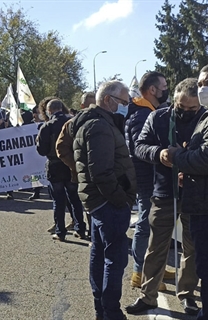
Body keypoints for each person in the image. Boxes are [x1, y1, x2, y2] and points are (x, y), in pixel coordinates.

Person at [126, 78, 203, 316]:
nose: (187, 113)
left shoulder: (205, 118)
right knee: (157, 245)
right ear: (174, 101)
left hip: (196, 193)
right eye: (182, 108)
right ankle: (148, 296)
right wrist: (158, 153)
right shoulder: (158, 117)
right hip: (163, 190)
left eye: (193, 109)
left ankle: (187, 294)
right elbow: (139, 146)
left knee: (192, 248)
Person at [72, 81, 137, 320]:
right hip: (107, 202)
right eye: (123, 102)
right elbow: (101, 171)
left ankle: (103, 309)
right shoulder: (98, 126)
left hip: (98, 201)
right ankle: (110, 311)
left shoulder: (95, 123)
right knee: (113, 259)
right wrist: (120, 199)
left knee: (100, 254)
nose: (126, 106)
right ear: (108, 100)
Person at [161, 65, 208, 320]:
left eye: (207, 83)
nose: (203, 89)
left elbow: (205, 158)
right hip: (192, 198)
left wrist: (180, 156)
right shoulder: (160, 117)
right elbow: (141, 145)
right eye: (201, 83)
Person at [125, 72, 174, 289]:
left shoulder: (148, 111)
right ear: (152, 90)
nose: (167, 90)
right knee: (145, 225)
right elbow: (139, 150)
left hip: (152, 179)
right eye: (164, 86)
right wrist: (161, 153)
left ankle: (156, 269)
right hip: (147, 180)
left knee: (155, 226)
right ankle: (141, 273)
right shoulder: (142, 114)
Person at [36, 99, 86, 241]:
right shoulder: (73, 122)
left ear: (49, 111)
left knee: (58, 201)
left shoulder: (46, 127)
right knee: (75, 198)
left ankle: (60, 231)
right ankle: (80, 229)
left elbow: (41, 150)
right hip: (71, 165)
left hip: (55, 166)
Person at [56, 92, 97, 237]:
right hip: (81, 175)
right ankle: (92, 234)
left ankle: (96, 234)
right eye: (90, 105)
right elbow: (61, 148)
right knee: (88, 205)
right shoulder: (72, 124)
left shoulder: (105, 120)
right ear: (82, 106)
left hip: (102, 173)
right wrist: (76, 165)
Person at [29, 105, 44, 200]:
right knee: (35, 173)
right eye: (39, 113)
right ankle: (36, 191)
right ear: (34, 114)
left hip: (43, 152)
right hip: (33, 154)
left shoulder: (46, 123)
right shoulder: (28, 125)